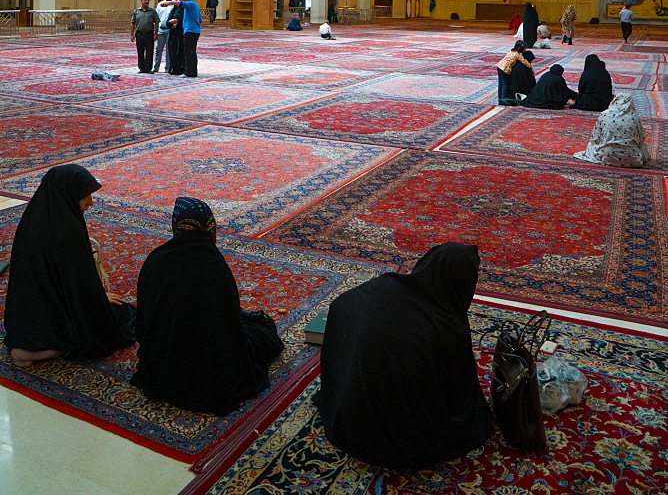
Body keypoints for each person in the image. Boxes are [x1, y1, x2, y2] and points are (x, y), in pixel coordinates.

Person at [316, 243, 492, 469]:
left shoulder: (388, 283)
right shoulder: (444, 324)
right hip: (401, 439)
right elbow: (458, 389)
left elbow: (343, 304)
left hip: (349, 416)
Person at [131, 197, 283, 414]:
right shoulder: (213, 265)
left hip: (163, 364)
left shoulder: (157, 259)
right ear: (210, 228)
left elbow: (144, 324)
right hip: (211, 370)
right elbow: (230, 333)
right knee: (265, 335)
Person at [4, 164, 135, 367]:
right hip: (52, 320)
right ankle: (41, 350)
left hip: (22, 322)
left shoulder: (35, 217)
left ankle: (32, 346)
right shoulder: (66, 230)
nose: (90, 203)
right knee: (122, 317)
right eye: (85, 196)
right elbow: (78, 285)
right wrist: (99, 300)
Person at [574, 93, 649, 168]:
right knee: (643, 147)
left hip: (606, 156)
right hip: (633, 159)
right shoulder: (634, 117)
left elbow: (595, 138)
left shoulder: (605, 114)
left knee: (591, 145)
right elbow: (641, 139)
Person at [130, 0, 159, 73]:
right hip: (139, 34)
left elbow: (156, 22)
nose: (147, 1)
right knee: (140, 51)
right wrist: (131, 34)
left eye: (148, 0)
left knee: (149, 52)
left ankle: (148, 68)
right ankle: (141, 68)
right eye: (145, 0)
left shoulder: (152, 11)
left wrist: (156, 33)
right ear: (141, 1)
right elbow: (132, 23)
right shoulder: (136, 12)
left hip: (149, 34)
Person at [152, 0, 174, 72]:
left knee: (169, 50)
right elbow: (156, 17)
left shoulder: (174, 4)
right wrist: (155, 31)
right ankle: (156, 67)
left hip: (170, 30)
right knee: (158, 49)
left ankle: (168, 68)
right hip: (161, 30)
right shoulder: (160, 4)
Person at [167, 0, 185, 75]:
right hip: (173, 34)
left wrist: (178, 22)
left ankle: (181, 69)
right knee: (172, 51)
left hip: (181, 34)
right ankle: (173, 68)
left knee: (180, 51)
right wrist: (171, 22)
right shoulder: (173, 9)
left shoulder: (185, 10)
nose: (179, 0)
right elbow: (167, 21)